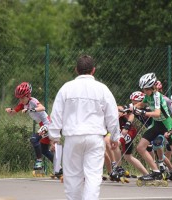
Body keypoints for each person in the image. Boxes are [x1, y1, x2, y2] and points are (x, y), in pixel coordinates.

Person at [48, 55, 120, 200]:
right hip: (95, 137)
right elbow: (112, 114)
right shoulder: (102, 89)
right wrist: (114, 136)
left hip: (72, 137)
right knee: (93, 176)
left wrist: (54, 137)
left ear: (76, 70)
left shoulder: (66, 88)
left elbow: (56, 114)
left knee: (72, 177)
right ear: (93, 70)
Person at [134, 72, 172, 181]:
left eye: (146, 89)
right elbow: (141, 104)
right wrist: (129, 107)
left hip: (167, 125)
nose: (144, 92)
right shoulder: (148, 95)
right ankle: (156, 172)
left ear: (152, 87)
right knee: (140, 147)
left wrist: (142, 113)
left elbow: (156, 113)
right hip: (156, 124)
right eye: (143, 89)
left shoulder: (157, 96)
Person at [5, 82, 53, 171]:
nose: (21, 100)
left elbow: (42, 108)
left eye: (23, 98)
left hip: (48, 124)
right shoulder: (22, 104)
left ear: (28, 95)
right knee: (44, 150)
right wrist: (10, 110)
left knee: (34, 139)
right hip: (43, 126)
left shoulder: (33, 101)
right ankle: (60, 169)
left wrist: (30, 109)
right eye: (19, 98)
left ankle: (39, 162)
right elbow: (14, 112)